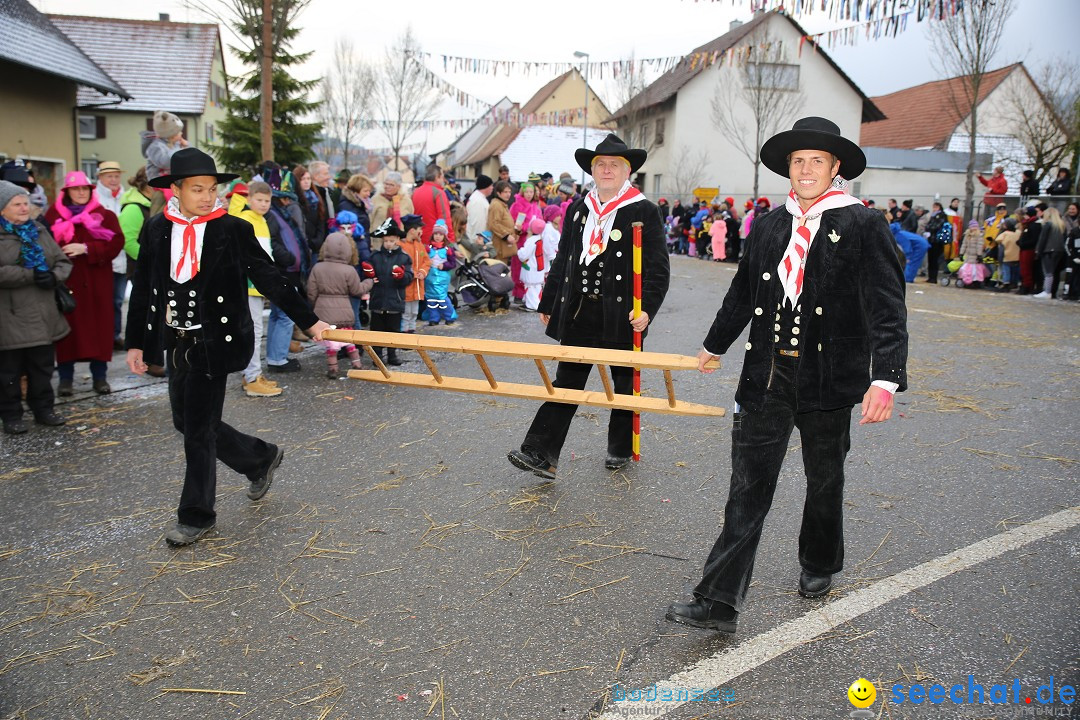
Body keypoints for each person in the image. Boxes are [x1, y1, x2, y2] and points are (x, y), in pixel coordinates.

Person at [667, 117, 907, 634]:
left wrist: (885, 378)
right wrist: (714, 343)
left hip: (829, 380)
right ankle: (719, 600)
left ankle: (819, 562)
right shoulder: (771, 225)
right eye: (797, 161)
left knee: (825, 480)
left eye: (816, 161)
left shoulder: (864, 224)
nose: (805, 169)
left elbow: (888, 306)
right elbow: (742, 292)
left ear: (835, 167)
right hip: (766, 376)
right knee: (747, 487)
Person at [124, 148, 329, 547]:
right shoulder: (156, 228)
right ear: (177, 190)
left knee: (198, 431)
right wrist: (137, 344)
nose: (206, 196)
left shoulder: (231, 229)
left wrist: (309, 319)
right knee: (186, 422)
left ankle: (196, 516)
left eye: (211, 188)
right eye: (197, 189)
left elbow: (269, 276)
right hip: (175, 341)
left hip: (214, 342)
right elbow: (144, 289)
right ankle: (260, 458)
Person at [507, 133, 670, 478]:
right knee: (566, 381)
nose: (606, 170)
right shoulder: (580, 209)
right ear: (592, 170)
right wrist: (549, 301)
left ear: (628, 171)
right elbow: (564, 257)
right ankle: (541, 454)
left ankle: (619, 448)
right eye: (600, 165)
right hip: (580, 310)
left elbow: (657, 270)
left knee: (625, 384)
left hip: (622, 315)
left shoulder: (644, 210)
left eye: (614, 165)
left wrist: (647, 310)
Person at [0, 181, 72, 434]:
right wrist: (29, 275)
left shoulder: (38, 230)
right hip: (10, 316)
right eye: (16, 204)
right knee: (9, 370)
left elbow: (62, 261)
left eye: (25, 203)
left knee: (42, 367)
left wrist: (53, 277)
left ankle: (44, 409)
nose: (23, 208)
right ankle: (11, 415)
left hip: (43, 313)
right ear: (1, 209)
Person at [45, 171, 124, 396]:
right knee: (67, 332)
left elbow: (116, 243)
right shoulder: (53, 215)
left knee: (100, 330)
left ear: (91, 191)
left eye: (85, 189)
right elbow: (44, 244)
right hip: (67, 282)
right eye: (76, 189)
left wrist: (87, 248)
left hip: (96, 282)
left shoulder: (103, 214)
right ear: (67, 192)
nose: (81, 193)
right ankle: (65, 380)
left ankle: (100, 378)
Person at [231, 181, 283, 398]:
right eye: (259, 200)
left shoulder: (262, 221)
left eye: (267, 201)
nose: (263, 204)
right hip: (248, 283)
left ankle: (252, 374)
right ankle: (252, 378)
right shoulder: (244, 220)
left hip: (258, 284)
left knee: (255, 329)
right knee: (253, 330)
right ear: (249, 199)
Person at [118, 167, 166, 377]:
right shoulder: (133, 208)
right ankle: (152, 359)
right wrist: (153, 260)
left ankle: (155, 357)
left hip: (156, 265)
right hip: (141, 266)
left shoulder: (152, 203)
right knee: (148, 311)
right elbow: (128, 241)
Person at [307, 231, 372, 377]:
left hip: (323, 313)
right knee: (349, 342)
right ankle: (357, 364)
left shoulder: (317, 268)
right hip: (345, 312)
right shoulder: (349, 270)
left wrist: (313, 307)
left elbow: (311, 292)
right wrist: (369, 282)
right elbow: (357, 290)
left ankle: (333, 369)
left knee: (331, 345)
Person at [362, 218, 414, 366]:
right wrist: (369, 274)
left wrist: (402, 276)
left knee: (393, 331)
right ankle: (377, 357)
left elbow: (409, 277)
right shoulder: (375, 256)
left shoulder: (404, 258)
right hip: (378, 300)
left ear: (398, 239)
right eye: (386, 241)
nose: (388, 244)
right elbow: (368, 273)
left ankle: (392, 355)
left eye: (391, 240)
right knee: (377, 331)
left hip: (394, 301)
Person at [94, 161, 128, 349]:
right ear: (100, 178)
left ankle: (114, 334)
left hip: (122, 257)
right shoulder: (95, 198)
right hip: (104, 257)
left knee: (117, 300)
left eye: (116, 176)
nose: (114, 180)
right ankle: (104, 335)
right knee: (103, 300)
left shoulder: (124, 196)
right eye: (109, 176)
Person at [397, 214, 431, 333]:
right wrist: (413, 273)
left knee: (414, 312)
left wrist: (422, 271)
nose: (421, 231)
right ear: (412, 230)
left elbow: (426, 261)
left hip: (417, 285)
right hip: (407, 285)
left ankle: (411, 333)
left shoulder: (419, 245)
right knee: (406, 313)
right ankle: (405, 335)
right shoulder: (401, 245)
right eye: (419, 229)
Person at [424, 220, 458, 326]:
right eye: (436, 234)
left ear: (444, 236)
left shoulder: (448, 250)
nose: (438, 236)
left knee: (441, 297)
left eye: (440, 234)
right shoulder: (427, 249)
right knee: (430, 297)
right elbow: (422, 258)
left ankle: (449, 316)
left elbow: (453, 263)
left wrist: (444, 266)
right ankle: (434, 318)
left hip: (442, 276)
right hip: (429, 277)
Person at [517, 217, 556, 312]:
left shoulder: (531, 241)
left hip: (532, 268)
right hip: (539, 268)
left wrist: (520, 251)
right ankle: (532, 302)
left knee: (531, 288)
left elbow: (524, 254)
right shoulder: (541, 239)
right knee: (537, 288)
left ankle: (533, 305)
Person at [412, 164, 456, 247]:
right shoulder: (439, 193)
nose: (444, 180)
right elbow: (445, 218)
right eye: (442, 177)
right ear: (437, 177)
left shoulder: (416, 192)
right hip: (435, 241)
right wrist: (451, 241)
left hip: (418, 239)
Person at [369, 172, 413, 252]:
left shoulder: (406, 201)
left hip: (400, 244)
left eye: (391, 185)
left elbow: (410, 223)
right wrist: (370, 241)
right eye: (386, 184)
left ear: (399, 187)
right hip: (378, 243)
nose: (387, 187)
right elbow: (369, 220)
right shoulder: (376, 199)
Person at [141, 111, 187, 183]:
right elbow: (165, 162)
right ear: (172, 135)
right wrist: (180, 150)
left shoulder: (176, 144)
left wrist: (186, 147)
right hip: (158, 183)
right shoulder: (155, 147)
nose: (181, 133)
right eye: (179, 132)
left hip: (171, 181)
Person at [1034, 207, 1066, 299]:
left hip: (1048, 250)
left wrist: (1038, 251)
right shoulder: (1061, 225)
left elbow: (1042, 238)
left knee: (1048, 272)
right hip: (1059, 250)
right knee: (1054, 272)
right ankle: (1051, 291)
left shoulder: (1048, 224)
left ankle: (1047, 291)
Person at [923, 202, 952, 284]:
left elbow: (937, 226)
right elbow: (928, 226)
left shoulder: (942, 215)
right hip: (931, 239)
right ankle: (930, 276)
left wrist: (930, 228)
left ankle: (934, 277)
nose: (934, 209)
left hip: (937, 240)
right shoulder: (933, 215)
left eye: (935, 207)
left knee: (935, 259)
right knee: (930, 259)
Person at [995, 218, 1021, 292]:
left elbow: (998, 240)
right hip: (1017, 255)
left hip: (1007, 255)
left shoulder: (1005, 234)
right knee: (1015, 270)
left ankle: (1006, 283)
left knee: (1006, 270)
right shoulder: (1018, 233)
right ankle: (1014, 283)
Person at [466, 174, 493, 241]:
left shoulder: (479, 198)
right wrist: (479, 239)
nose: (492, 188)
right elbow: (477, 223)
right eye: (491, 185)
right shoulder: (478, 201)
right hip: (477, 241)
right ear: (486, 186)